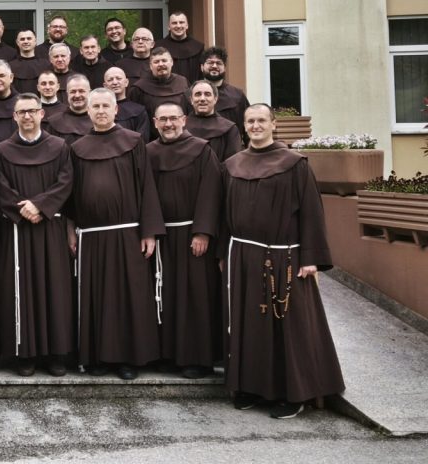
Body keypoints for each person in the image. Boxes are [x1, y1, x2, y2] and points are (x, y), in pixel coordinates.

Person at [221, 104, 344, 418]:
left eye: (262, 120)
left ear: (274, 125)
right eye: (251, 121)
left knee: (288, 328)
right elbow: (223, 215)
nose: (256, 125)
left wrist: (311, 257)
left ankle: (292, 394)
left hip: (284, 256)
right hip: (244, 257)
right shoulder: (232, 164)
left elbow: (312, 212)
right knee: (248, 325)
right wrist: (224, 253)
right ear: (244, 126)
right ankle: (250, 387)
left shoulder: (294, 164)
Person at [68, 88, 162, 380]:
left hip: (126, 233)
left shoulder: (133, 142)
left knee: (127, 297)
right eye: (95, 106)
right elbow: (70, 195)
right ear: (88, 111)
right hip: (91, 236)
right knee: (94, 298)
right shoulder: (77, 147)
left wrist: (149, 232)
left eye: (105, 105)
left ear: (116, 109)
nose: (100, 110)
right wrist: (70, 229)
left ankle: (128, 360)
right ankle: (97, 358)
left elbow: (146, 186)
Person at [0, 94, 74, 377]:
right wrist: (23, 209)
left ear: (42, 114)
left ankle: (56, 355)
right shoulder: (2, 149)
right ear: (14, 117)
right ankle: (24, 354)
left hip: (50, 227)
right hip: (17, 229)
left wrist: (41, 206)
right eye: (21, 112)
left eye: (32, 111)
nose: (27, 116)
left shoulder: (60, 146)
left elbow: (65, 181)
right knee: (20, 290)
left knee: (55, 289)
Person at [146, 103, 223, 378]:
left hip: (192, 236)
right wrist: (151, 230)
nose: (168, 124)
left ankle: (197, 359)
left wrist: (202, 231)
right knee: (164, 294)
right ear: (155, 122)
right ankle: (167, 355)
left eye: (173, 118)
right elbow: (144, 194)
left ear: (184, 120)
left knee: (194, 297)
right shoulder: (148, 152)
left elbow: (211, 190)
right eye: (163, 119)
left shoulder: (202, 149)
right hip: (161, 238)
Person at [127, 47, 189, 140]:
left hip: (182, 140)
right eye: (156, 62)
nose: (161, 64)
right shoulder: (139, 88)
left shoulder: (183, 82)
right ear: (151, 66)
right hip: (152, 142)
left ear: (171, 62)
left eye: (164, 60)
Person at [197, 47, 251, 138]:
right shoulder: (190, 95)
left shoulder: (237, 95)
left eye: (219, 63)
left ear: (225, 68)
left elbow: (248, 128)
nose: (214, 66)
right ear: (202, 67)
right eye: (210, 62)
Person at [186, 80, 243, 162]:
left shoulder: (230, 129)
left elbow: (233, 163)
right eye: (198, 94)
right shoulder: (181, 127)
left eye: (207, 94)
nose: (202, 99)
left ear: (215, 99)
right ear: (191, 100)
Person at [155, 12, 204, 83]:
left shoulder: (198, 47)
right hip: (165, 90)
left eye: (181, 22)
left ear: (187, 25)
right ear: (168, 26)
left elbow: (201, 74)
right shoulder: (158, 46)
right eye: (174, 23)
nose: (178, 26)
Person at [44, 74, 93, 145]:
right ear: (67, 94)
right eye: (73, 92)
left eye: (81, 91)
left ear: (89, 92)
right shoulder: (55, 122)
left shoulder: (98, 121)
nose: (77, 95)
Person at [104, 66, 149, 139]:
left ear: (126, 82)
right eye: (110, 80)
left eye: (118, 78)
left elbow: (142, 140)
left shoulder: (139, 111)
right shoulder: (101, 110)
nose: (115, 82)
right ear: (105, 86)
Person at [12, 29, 49, 93]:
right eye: (22, 39)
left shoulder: (46, 64)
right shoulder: (10, 66)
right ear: (17, 43)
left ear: (35, 41)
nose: (26, 41)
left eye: (29, 38)